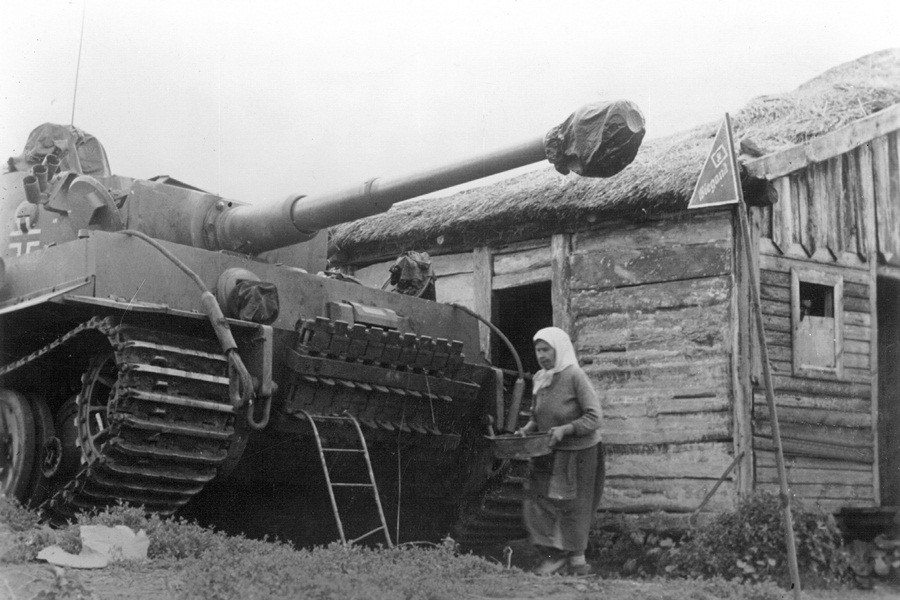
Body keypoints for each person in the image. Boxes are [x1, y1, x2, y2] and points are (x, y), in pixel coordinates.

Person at [515, 326, 605, 576]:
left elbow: (595, 417)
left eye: (546, 349)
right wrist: (526, 429)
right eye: (538, 350)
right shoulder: (541, 378)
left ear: (560, 349)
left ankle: (574, 561)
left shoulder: (574, 376)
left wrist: (566, 429)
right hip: (547, 450)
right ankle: (554, 555)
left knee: (573, 505)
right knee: (538, 501)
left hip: (579, 453)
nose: (541, 355)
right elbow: (538, 415)